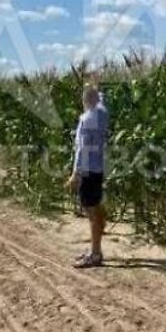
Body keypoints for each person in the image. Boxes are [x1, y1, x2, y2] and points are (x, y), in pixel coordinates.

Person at [66, 83, 109, 268]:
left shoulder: (87, 120)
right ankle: (95, 248)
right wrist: (97, 88)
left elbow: (82, 150)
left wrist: (75, 174)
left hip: (87, 171)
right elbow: (101, 101)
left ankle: (95, 254)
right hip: (98, 169)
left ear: (85, 102)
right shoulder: (102, 114)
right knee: (97, 208)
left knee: (91, 213)